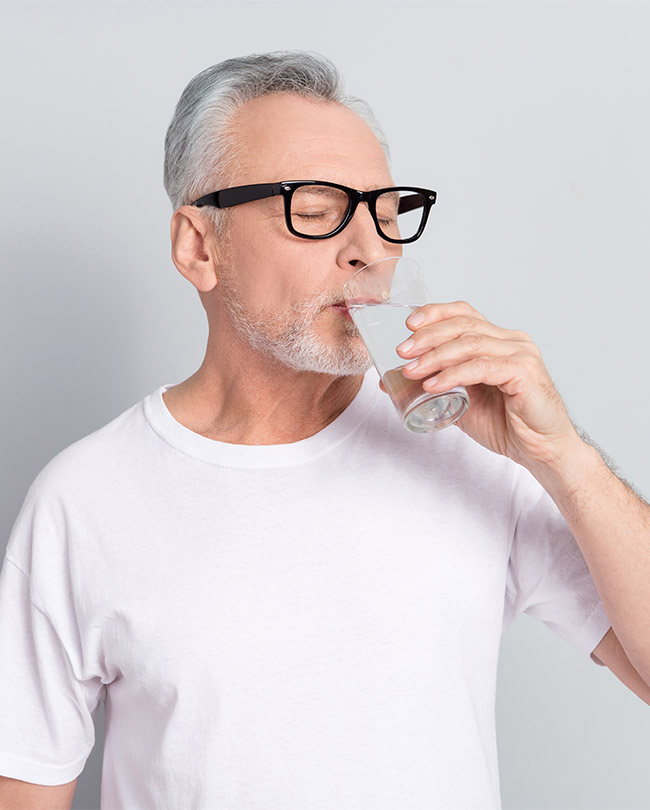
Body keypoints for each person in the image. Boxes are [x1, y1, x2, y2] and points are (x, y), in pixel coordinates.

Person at [0, 51, 648, 810]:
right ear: (199, 247)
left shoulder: (474, 452)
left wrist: (561, 455)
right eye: (316, 209)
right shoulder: (85, 501)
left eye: (386, 211)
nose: (371, 249)